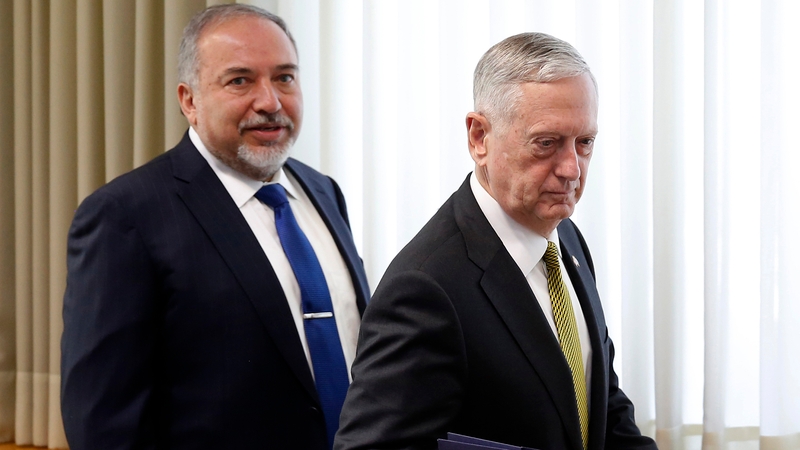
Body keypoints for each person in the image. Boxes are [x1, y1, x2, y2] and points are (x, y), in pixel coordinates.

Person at [60, 4, 369, 450]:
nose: (270, 102)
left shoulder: (324, 192)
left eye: (284, 77)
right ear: (190, 101)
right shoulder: (124, 216)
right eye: (240, 80)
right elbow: (103, 422)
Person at [334, 33, 657, 450]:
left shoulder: (567, 240)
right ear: (479, 137)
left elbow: (602, 407)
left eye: (585, 143)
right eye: (546, 143)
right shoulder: (425, 288)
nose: (571, 169)